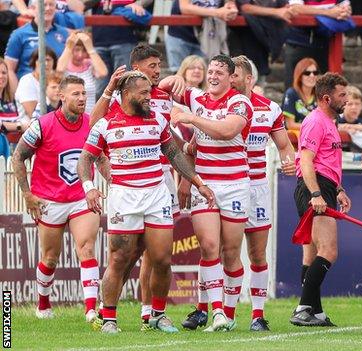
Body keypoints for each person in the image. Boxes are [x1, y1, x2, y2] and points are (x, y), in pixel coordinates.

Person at [78, 70, 213, 334]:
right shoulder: (106, 124)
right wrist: (89, 188)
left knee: (162, 259)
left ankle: (158, 315)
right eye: (143, 93)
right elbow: (85, 158)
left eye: (149, 93)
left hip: (156, 195)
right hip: (124, 198)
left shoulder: (158, 120)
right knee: (119, 258)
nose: (149, 97)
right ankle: (109, 319)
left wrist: (199, 182)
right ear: (127, 95)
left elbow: (174, 154)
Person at [89, 43, 187, 331]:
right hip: (128, 183)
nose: (158, 71)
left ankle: (150, 313)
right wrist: (108, 90)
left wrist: (189, 178)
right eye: (153, 66)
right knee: (127, 254)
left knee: (156, 254)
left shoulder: (164, 98)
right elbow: (95, 128)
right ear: (135, 69)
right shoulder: (125, 96)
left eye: (160, 65)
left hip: (160, 179)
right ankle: (109, 313)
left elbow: (174, 144)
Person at [160, 54, 253, 332]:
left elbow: (227, 131)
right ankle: (217, 314)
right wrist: (175, 79)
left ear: (231, 78)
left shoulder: (240, 102)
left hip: (235, 183)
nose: (212, 76)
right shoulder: (197, 97)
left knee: (231, 252)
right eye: (210, 71)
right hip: (206, 183)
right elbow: (161, 87)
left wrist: (191, 118)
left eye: (219, 73)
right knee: (209, 246)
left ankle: (230, 311)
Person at [11, 76, 103, 322]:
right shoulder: (42, 125)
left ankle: (91, 310)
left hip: (81, 196)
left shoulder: (92, 123)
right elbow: (18, 156)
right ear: (61, 97)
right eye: (76, 94)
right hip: (49, 198)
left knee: (86, 247)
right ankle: (43, 304)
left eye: (84, 93)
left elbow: (101, 157)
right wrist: (27, 194)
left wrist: (114, 182)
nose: (82, 98)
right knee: (50, 257)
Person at [231, 55, 296, 331]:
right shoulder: (220, 106)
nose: (229, 80)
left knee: (258, 254)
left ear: (249, 79)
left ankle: (257, 315)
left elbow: (283, 145)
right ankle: (226, 314)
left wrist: (288, 158)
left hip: (257, 186)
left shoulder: (269, 109)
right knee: (227, 252)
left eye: (234, 75)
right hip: (229, 185)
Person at [289, 72, 352, 327]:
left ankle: (314, 310)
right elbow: (306, 160)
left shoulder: (329, 121)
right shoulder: (316, 121)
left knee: (312, 253)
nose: (346, 100)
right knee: (329, 251)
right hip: (314, 187)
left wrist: (339, 190)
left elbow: (329, 162)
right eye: (342, 95)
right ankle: (304, 307)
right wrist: (316, 193)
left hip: (324, 186)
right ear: (326, 98)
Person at [282, 0, 351, 89]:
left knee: (328, 89)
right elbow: (295, 8)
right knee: (293, 89)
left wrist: (345, 11)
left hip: (326, 42)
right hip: (299, 41)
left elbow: (345, 7)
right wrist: (329, 12)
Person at [86, 0, 147, 98]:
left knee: (125, 85)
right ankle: (101, 113)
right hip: (99, 41)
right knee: (100, 89)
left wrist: (138, 4)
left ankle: (123, 113)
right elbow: (82, 5)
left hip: (124, 40)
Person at [4, 0, 68, 82]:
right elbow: (9, 69)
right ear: (33, 8)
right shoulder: (19, 34)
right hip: (29, 88)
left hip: (56, 88)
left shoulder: (64, 33)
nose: (48, 8)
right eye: (44, 5)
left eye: (51, 5)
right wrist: (16, 93)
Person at [166, 0, 238, 72]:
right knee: (178, 75)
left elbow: (230, 4)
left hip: (208, 37)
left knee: (205, 75)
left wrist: (230, 10)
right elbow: (185, 8)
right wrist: (217, 12)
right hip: (181, 34)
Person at [233, 0, 294, 83]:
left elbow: (286, 8)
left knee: (258, 84)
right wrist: (276, 12)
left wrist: (282, 11)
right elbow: (245, 7)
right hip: (243, 40)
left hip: (263, 44)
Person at [56, 31, 108, 113]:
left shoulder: (90, 64)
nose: (80, 55)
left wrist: (90, 49)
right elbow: (59, 69)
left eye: (84, 51)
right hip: (69, 116)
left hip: (89, 117)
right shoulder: (64, 64)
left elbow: (103, 72)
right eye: (76, 50)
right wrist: (68, 47)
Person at [14, 48, 57, 122]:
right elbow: (33, 115)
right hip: (31, 128)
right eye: (42, 60)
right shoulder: (27, 81)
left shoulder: (55, 82)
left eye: (48, 60)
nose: (46, 63)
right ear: (34, 62)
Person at [282, 57, 318, 131]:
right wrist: (316, 127)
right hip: (294, 140)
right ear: (300, 76)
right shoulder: (291, 94)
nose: (312, 76)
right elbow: (290, 125)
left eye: (315, 73)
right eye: (307, 73)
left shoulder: (320, 95)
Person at [337, 85, 362, 152]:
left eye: (357, 104)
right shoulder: (336, 119)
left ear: (361, 106)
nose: (354, 107)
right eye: (350, 104)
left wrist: (351, 127)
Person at [0, 57, 20, 155]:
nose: (1, 76)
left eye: (4, 73)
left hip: (15, 148)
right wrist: (20, 126)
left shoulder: (13, 100)